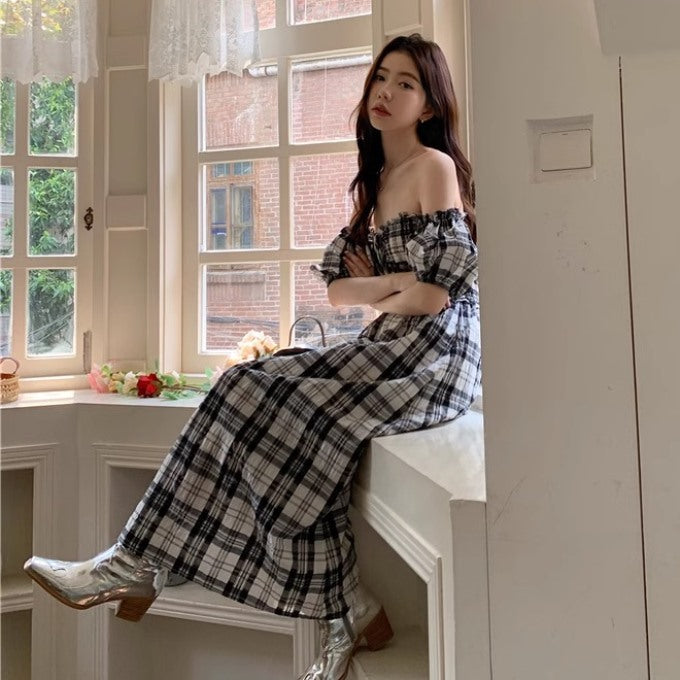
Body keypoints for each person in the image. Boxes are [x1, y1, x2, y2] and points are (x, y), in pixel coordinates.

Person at [23, 33, 481, 680]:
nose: (384, 91)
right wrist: (392, 285)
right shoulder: (376, 184)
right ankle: (336, 606)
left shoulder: (432, 166)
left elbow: (435, 298)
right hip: (392, 341)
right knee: (249, 389)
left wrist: (385, 288)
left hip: (434, 357)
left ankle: (141, 563)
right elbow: (339, 290)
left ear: (429, 106)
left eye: (405, 83)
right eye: (381, 76)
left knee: (265, 404)